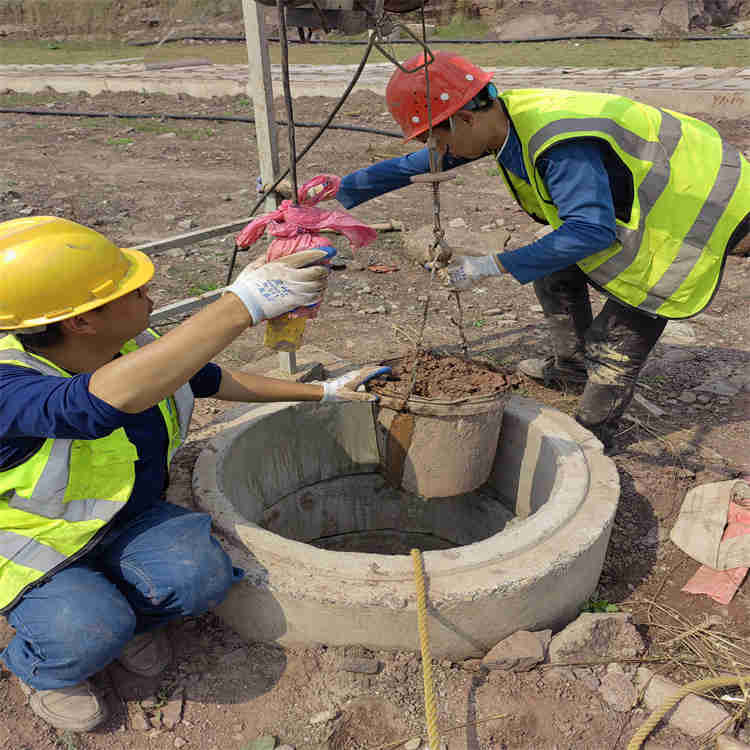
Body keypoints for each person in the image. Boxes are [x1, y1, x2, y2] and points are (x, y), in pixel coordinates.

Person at [0, 216, 386, 732]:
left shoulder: (134, 348)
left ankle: (124, 619)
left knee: (201, 575)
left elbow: (207, 377)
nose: (148, 294)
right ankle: (47, 669)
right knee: (87, 631)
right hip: (35, 547)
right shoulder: (10, 386)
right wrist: (239, 305)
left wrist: (327, 392)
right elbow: (85, 408)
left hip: (125, 520)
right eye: (130, 291)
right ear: (81, 322)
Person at [333, 50, 750, 450]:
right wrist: (337, 190)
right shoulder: (503, 120)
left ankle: (591, 434)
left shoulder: (557, 143)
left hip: (702, 208)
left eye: (435, 139)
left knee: (615, 339)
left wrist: (490, 265)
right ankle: (571, 370)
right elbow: (421, 163)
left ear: (461, 118)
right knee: (554, 270)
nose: (436, 152)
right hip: (664, 194)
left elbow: (590, 232)